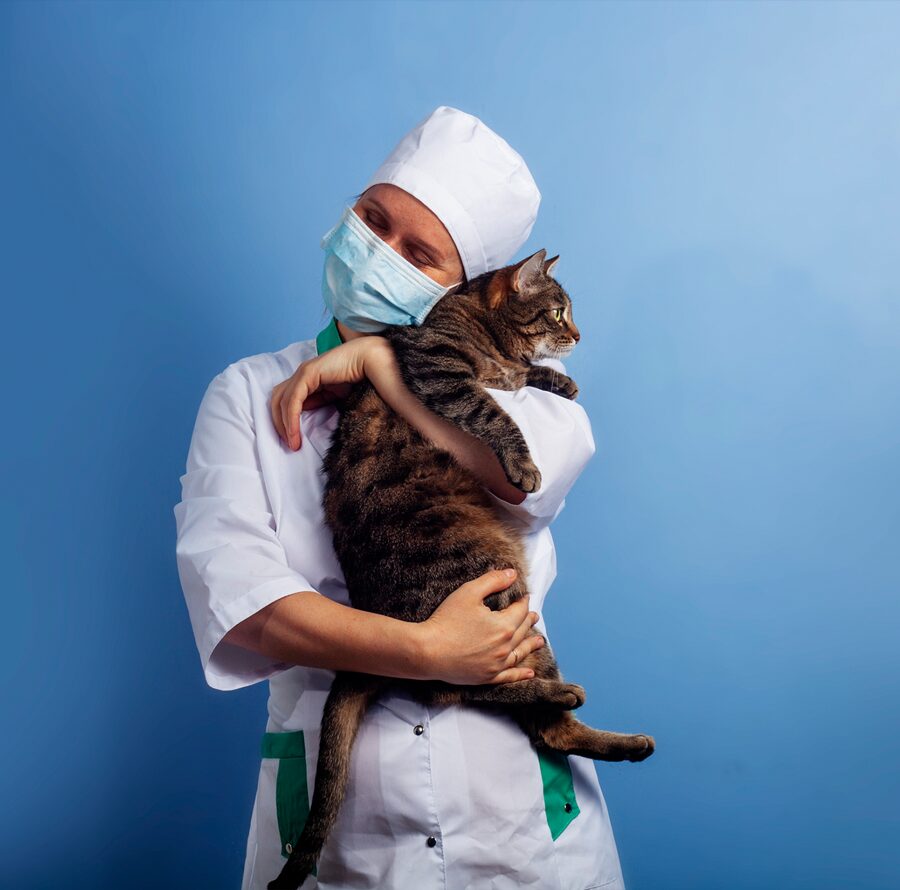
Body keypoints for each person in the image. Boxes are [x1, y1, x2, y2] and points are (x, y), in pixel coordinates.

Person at [174, 105, 627, 890]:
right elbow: (242, 599)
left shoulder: (529, 398)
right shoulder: (247, 394)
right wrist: (426, 650)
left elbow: (521, 474)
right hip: (352, 820)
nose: (379, 253)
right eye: (373, 221)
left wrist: (386, 369)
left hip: (516, 809)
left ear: (466, 291)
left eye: (419, 253)